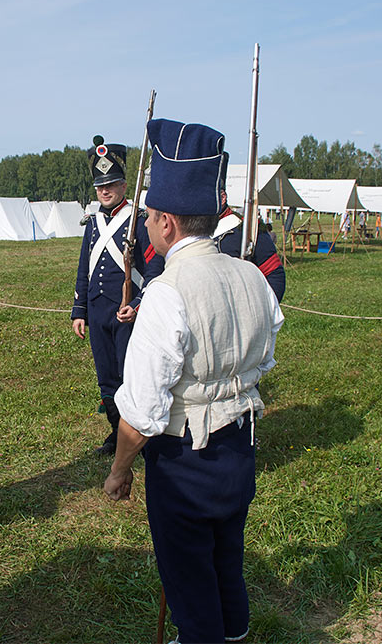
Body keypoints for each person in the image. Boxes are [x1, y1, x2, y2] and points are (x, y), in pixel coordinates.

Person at [103, 119, 283, 643]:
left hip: (185, 463)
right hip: (239, 448)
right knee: (227, 559)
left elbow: (140, 414)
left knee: (190, 583)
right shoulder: (252, 275)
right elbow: (266, 350)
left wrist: (119, 471)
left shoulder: (166, 292)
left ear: (167, 224)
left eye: (153, 217)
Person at [72, 135, 164, 455]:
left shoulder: (138, 220)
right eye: (100, 186)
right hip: (98, 313)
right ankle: (116, 433)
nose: (105, 190)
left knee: (131, 377)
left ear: (124, 185)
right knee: (106, 379)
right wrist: (79, 310)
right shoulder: (93, 223)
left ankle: (137, 435)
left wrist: (138, 305)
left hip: (128, 315)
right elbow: (85, 268)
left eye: (111, 183)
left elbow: (154, 270)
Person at [213, 153, 286, 303]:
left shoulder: (248, 229)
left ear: (222, 197)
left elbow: (274, 275)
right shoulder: (192, 230)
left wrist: (262, 315)